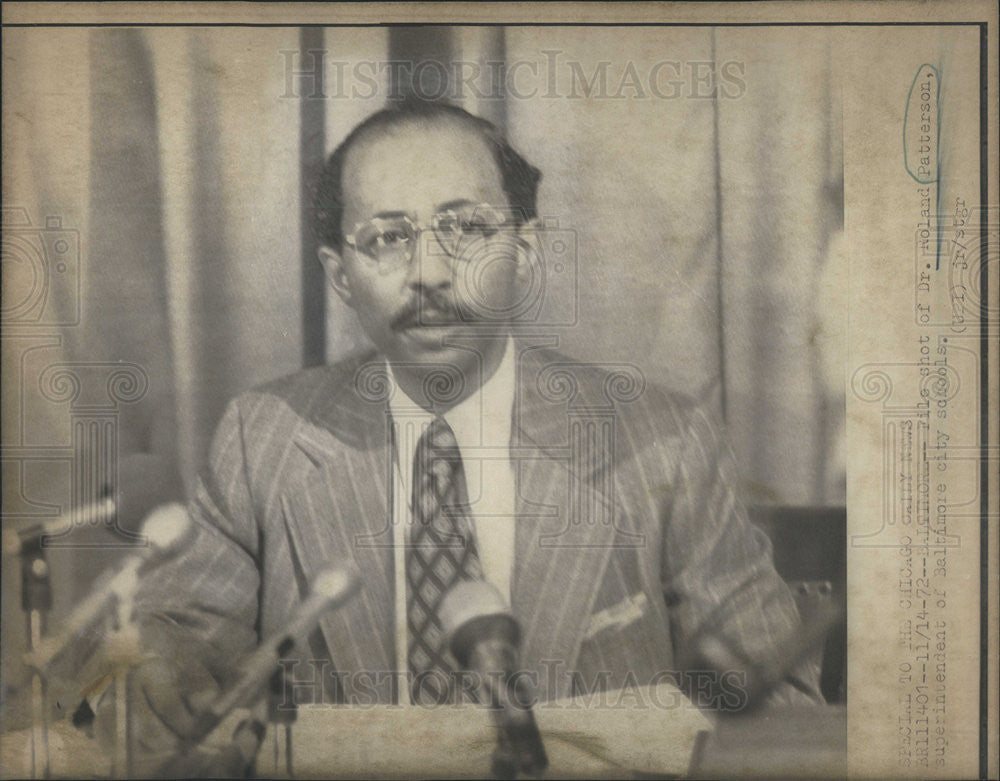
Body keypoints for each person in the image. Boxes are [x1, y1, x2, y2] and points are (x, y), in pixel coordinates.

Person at [123, 100, 821, 765]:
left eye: (465, 228)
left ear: (525, 250)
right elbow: (183, 635)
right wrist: (164, 661)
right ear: (340, 275)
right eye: (388, 238)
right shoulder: (264, 436)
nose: (428, 274)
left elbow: (775, 705)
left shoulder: (665, 441)